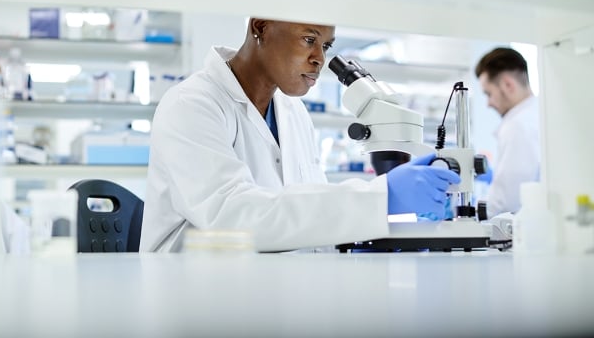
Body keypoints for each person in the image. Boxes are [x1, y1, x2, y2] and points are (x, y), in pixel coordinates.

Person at [140, 18, 460, 253]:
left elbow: (306, 211)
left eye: (326, 46)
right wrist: (380, 198)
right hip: (190, 295)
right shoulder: (192, 104)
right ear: (261, 28)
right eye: (309, 39)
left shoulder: (293, 113)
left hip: (268, 291)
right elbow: (231, 217)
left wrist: (362, 235)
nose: (319, 58)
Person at [474, 47, 540, 218]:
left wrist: (473, 219)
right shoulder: (539, 113)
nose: (488, 103)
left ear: (507, 85)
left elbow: (506, 201)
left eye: (489, 93)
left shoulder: (518, 125)